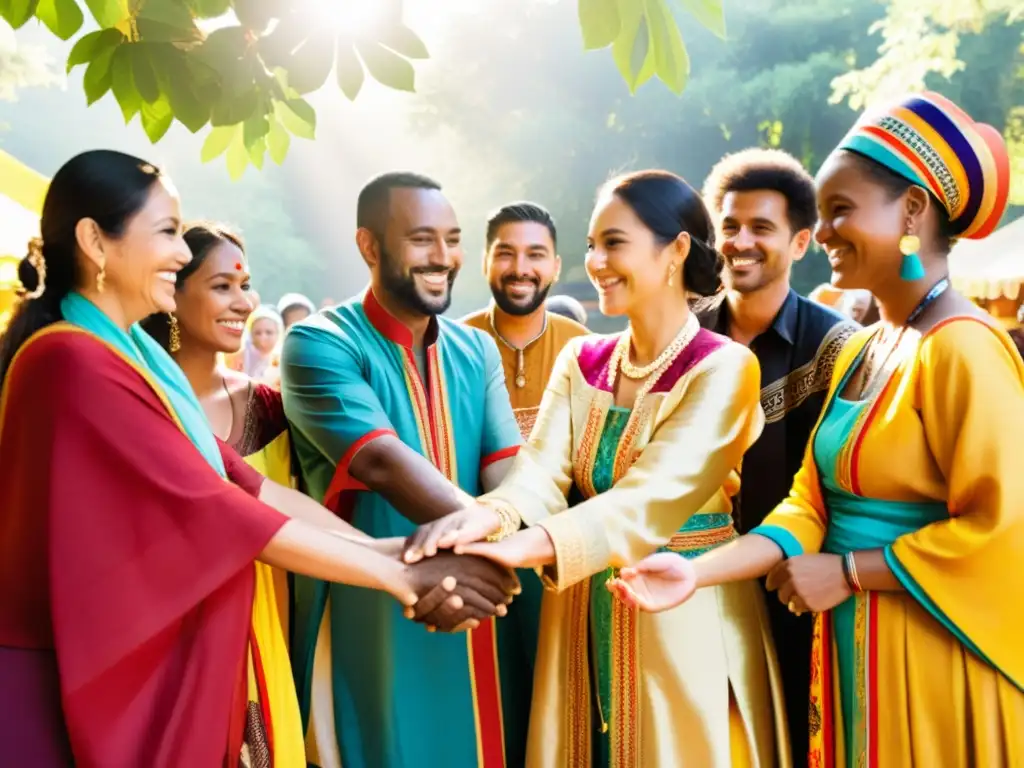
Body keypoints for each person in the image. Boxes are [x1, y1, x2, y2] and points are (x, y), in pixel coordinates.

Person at [0, 151, 505, 767]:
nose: (183, 252)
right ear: (94, 241)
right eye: (166, 231)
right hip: (64, 679)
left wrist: (394, 553)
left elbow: (247, 486)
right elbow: (220, 512)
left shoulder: (128, 358)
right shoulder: (70, 361)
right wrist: (401, 573)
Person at [608, 93, 1024, 766]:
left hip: (935, 656)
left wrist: (852, 573)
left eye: (840, 210)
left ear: (912, 212)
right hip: (855, 643)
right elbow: (809, 503)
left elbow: (1004, 527)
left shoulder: (964, 348)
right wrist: (695, 573)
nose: (822, 232)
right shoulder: (863, 349)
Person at [407, 170, 790, 767]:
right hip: (580, 610)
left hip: (682, 606)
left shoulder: (725, 367)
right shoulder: (582, 357)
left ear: (676, 251)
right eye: (590, 245)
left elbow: (647, 502)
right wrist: (481, 521)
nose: (595, 260)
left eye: (614, 243)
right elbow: (537, 476)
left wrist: (513, 551)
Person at [280, 172, 525, 768]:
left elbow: (508, 471)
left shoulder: (477, 349)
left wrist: (509, 543)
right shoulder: (319, 342)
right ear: (369, 246)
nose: (442, 257)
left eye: (452, 238)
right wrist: (504, 551)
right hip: (376, 608)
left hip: (485, 605)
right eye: (421, 239)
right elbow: (382, 462)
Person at [697, 147, 856, 761]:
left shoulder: (839, 345)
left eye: (762, 228)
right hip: (689, 585)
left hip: (793, 591)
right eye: (730, 226)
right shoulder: (684, 335)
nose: (741, 241)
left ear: (800, 243)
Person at [463, 201, 588, 757]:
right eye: (506, 253)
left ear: (556, 266)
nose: (521, 268)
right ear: (485, 262)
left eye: (535, 254)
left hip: (562, 560)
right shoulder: (453, 343)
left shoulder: (587, 351)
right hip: (473, 556)